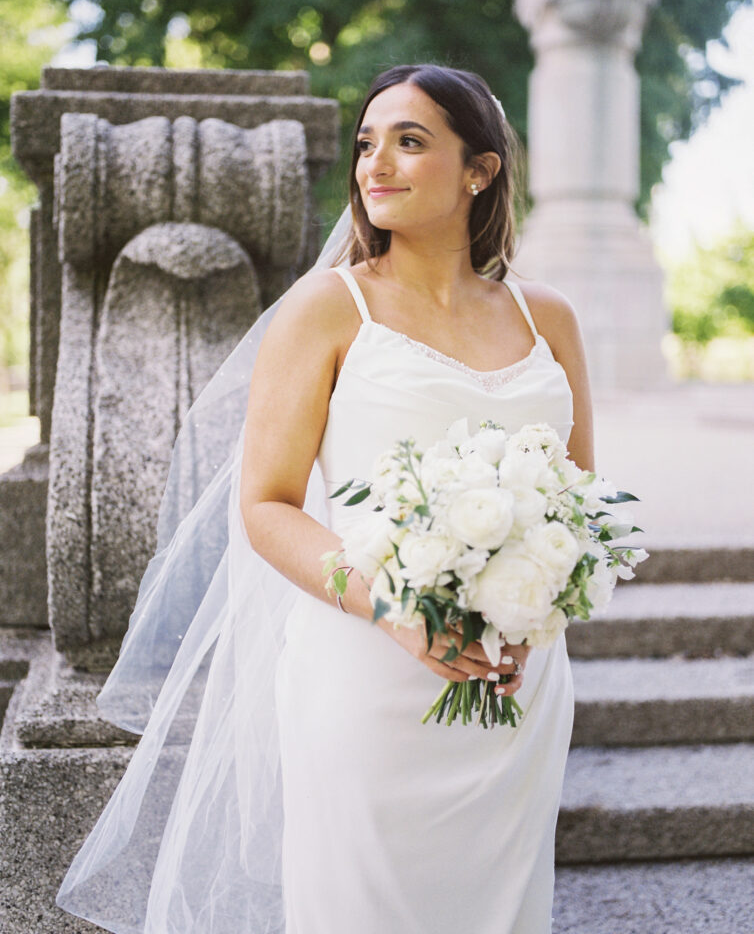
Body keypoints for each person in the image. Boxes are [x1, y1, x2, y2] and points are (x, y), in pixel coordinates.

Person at [56, 63, 593, 934]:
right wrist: (393, 609)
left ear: (479, 170)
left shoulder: (549, 320)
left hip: (514, 687)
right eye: (367, 143)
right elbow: (266, 506)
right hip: (365, 677)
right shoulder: (327, 308)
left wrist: (532, 616)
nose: (376, 162)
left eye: (409, 141)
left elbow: (579, 500)